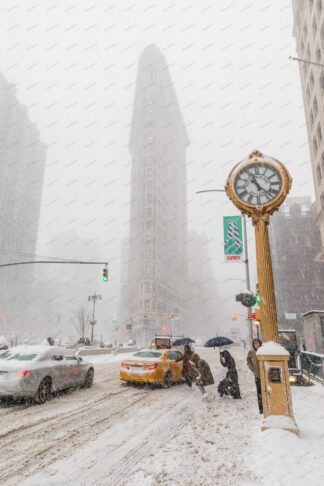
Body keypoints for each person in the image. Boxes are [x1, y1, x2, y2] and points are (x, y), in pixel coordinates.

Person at [246, 338, 263, 414]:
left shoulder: (263, 350)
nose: (256, 344)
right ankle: (261, 409)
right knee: (259, 393)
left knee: (267, 392)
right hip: (257, 375)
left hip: (265, 375)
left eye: (257, 343)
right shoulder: (251, 352)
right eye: (254, 343)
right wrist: (252, 369)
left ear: (260, 343)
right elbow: (248, 361)